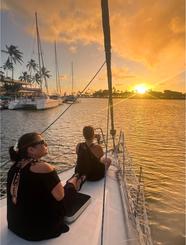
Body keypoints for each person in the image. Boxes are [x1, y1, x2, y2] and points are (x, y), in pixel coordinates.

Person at [7, 132, 84, 241]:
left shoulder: (15, 166)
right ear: (31, 150)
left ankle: (75, 178)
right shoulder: (44, 168)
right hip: (37, 231)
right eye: (42, 142)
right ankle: (77, 179)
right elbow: (60, 197)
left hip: (15, 225)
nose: (46, 144)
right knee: (69, 190)